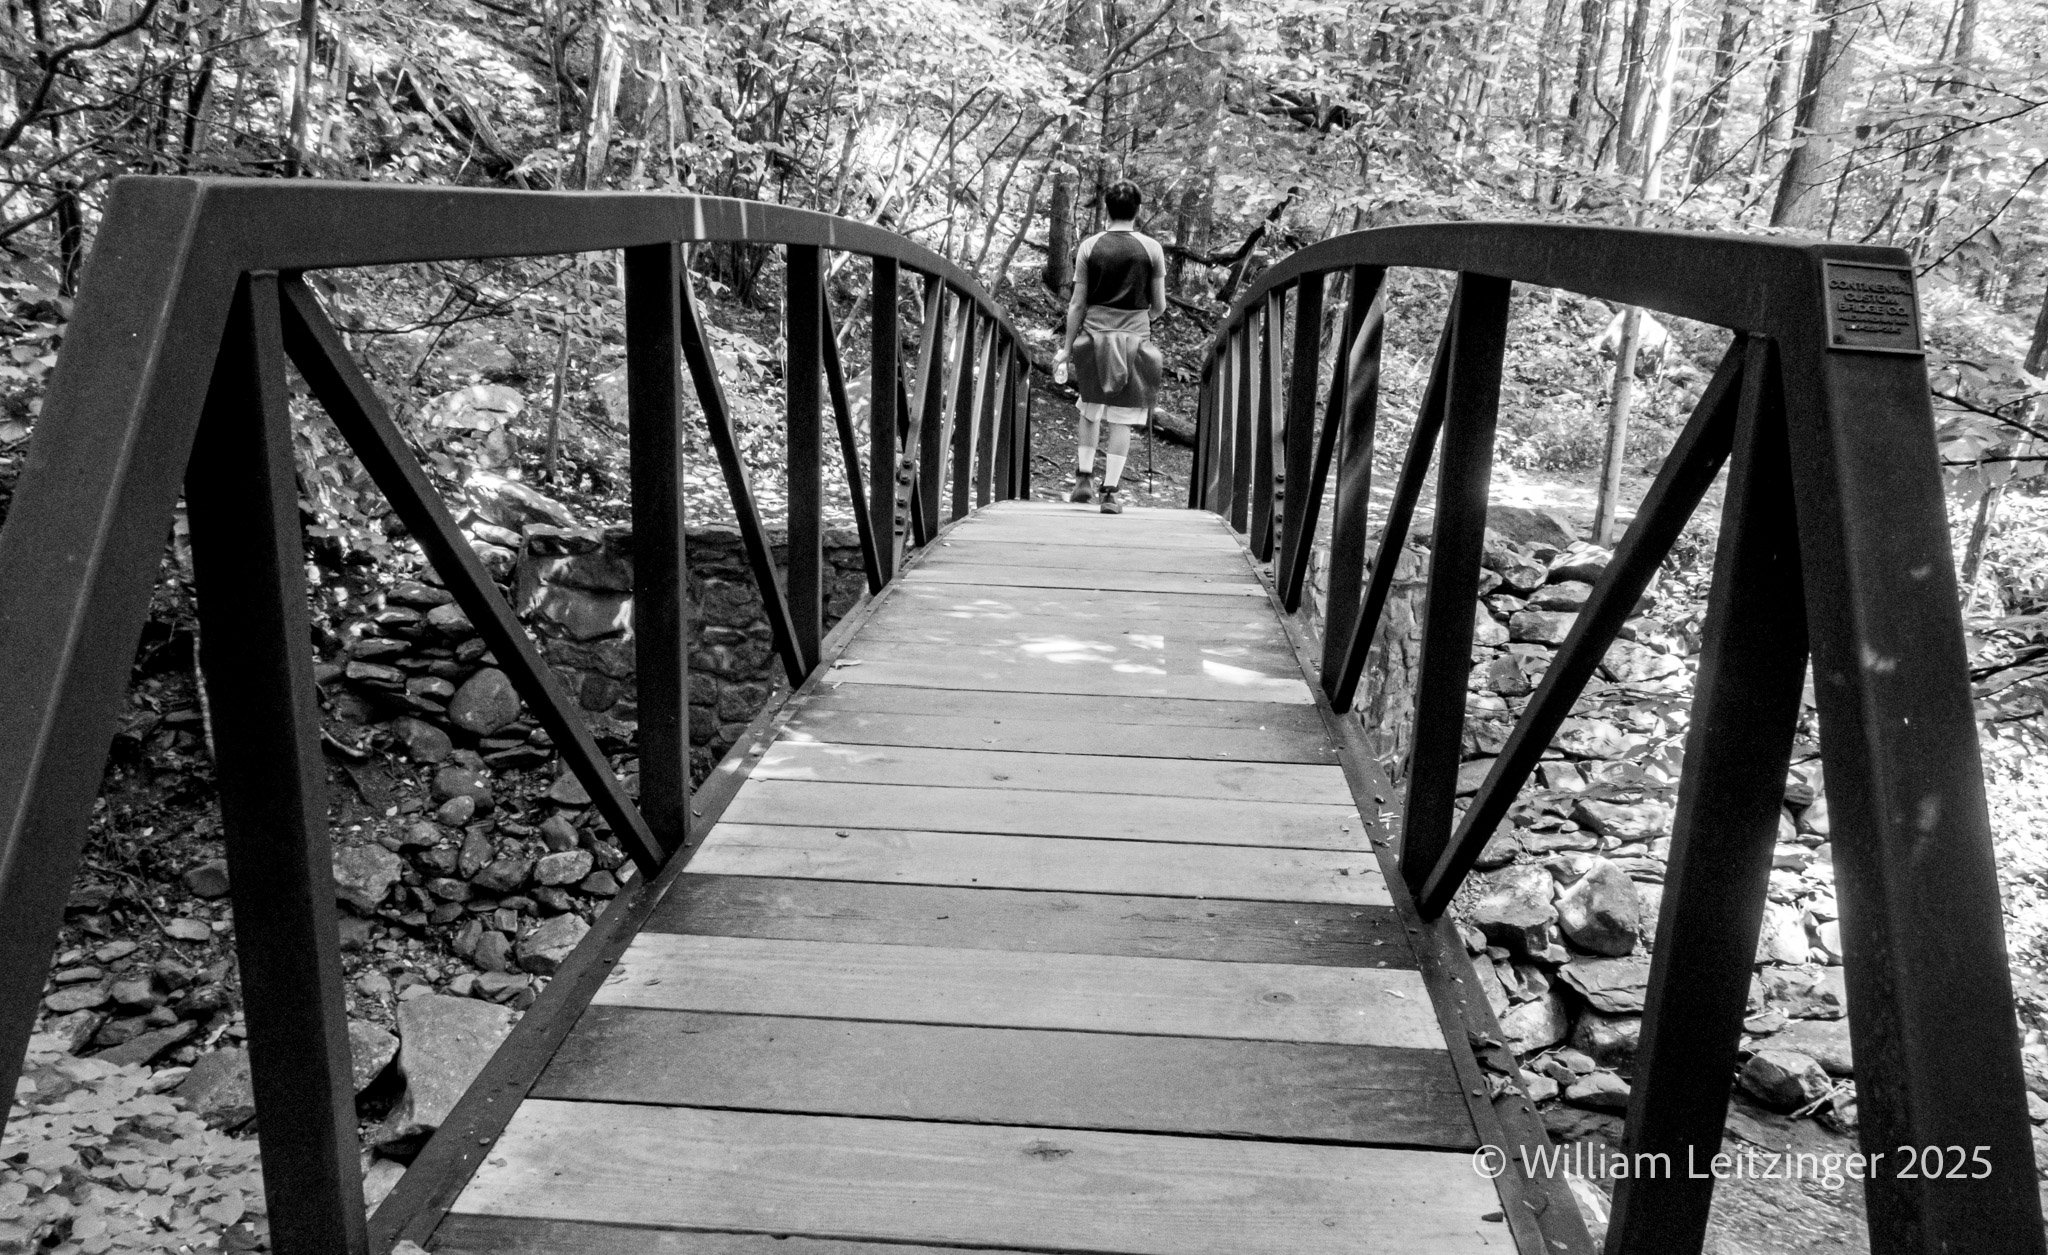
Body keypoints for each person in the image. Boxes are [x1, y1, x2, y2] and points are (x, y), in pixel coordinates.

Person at [1055, 179, 1165, 515]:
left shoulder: (1089, 247)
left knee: (1090, 408)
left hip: (1095, 336)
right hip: (1134, 338)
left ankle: (1083, 479)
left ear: (1107, 207)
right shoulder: (1152, 249)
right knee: (1122, 417)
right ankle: (1110, 494)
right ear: (1138, 209)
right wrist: (1139, 318)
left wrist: (1066, 347)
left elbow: (1077, 304)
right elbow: (1158, 305)